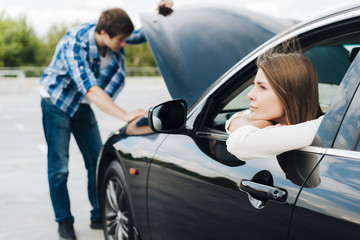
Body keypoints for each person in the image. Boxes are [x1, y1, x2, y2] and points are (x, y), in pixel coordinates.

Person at [40, 1, 173, 239]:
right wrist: (124, 115)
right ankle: (64, 221)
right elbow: (89, 89)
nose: (123, 45)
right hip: (56, 103)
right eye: (120, 40)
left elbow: (142, 34)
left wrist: (159, 13)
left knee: (95, 161)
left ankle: (97, 214)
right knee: (59, 168)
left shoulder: (112, 32)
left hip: (81, 105)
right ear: (103, 33)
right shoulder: (75, 43)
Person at [226, 52, 324, 161]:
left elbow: (237, 144)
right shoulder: (274, 119)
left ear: (291, 94)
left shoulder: (321, 126)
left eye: (262, 87)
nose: (250, 95)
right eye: (254, 85)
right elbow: (236, 118)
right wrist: (265, 123)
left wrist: (257, 126)